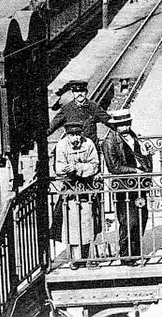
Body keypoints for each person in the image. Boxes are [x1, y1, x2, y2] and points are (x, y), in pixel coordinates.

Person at [101, 110, 153, 266]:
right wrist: (135, 171)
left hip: (139, 185)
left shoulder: (132, 135)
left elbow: (138, 154)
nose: (125, 127)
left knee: (142, 217)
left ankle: (136, 253)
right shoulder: (110, 141)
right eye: (122, 124)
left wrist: (146, 154)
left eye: (127, 123)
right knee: (128, 221)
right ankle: (126, 256)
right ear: (115, 125)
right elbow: (114, 167)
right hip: (124, 187)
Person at [51, 115, 101, 269]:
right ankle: (74, 259)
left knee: (87, 223)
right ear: (67, 135)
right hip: (70, 191)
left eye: (77, 134)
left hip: (87, 189)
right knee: (72, 226)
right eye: (72, 135)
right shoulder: (61, 146)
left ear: (81, 134)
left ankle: (87, 257)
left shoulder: (89, 144)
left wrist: (77, 168)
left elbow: (95, 165)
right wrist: (73, 168)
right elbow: (59, 168)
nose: (75, 138)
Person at [48, 80, 108, 146]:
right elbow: (52, 126)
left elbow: (107, 120)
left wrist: (119, 127)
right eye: (76, 92)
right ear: (73, 93)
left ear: (86, 92)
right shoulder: (66, 109)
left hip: (91, 149)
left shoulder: (93, 106)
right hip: (73, 149)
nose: (79, 94)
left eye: (82, 91)